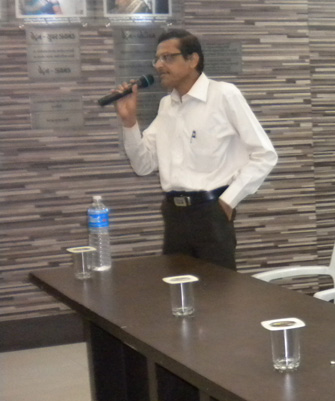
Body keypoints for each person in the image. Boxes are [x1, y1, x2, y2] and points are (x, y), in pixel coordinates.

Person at [111, 28, 277, 270]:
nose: (159, 65)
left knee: (217, 290)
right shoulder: (167, 105)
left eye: (168, 57)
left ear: (192, 60)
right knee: (176, 288)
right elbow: (143, 165)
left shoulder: (223, 95)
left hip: (211, 212)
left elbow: (265, 155)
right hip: (174, 215)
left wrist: (228, 201)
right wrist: (129, 122)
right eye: (157, 59)